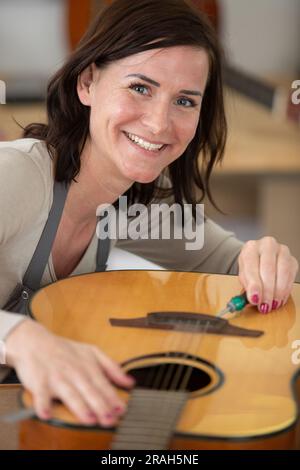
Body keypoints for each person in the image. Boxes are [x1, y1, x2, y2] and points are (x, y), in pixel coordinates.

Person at [0, 0, 298, 429]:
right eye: (140, 87)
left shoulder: (136, 205)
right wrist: (21, 337)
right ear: (87, 83)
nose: (160, 124)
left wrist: (267, 259)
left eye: (184, 100)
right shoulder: (19, 175)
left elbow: (236, 265)